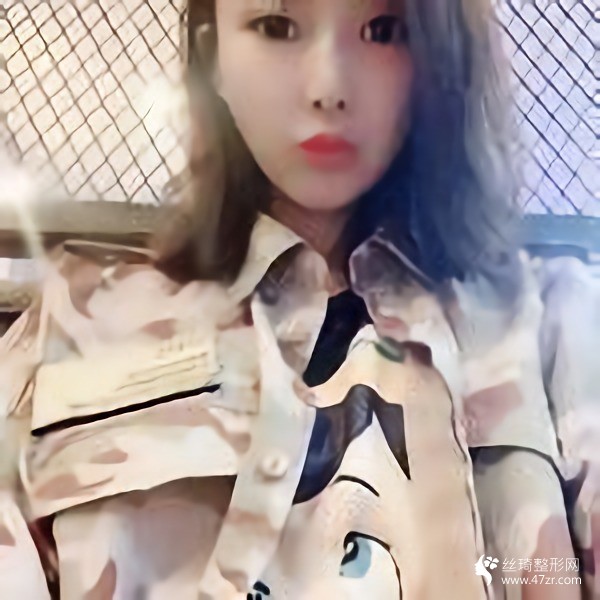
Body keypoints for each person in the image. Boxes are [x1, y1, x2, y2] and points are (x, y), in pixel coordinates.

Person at [0, 0, 590, 597]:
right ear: (213, 58)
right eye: (276, 26)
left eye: (382, 30)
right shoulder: (72, 323)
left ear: (441, 57)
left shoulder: (551, 324)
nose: (327, 88)